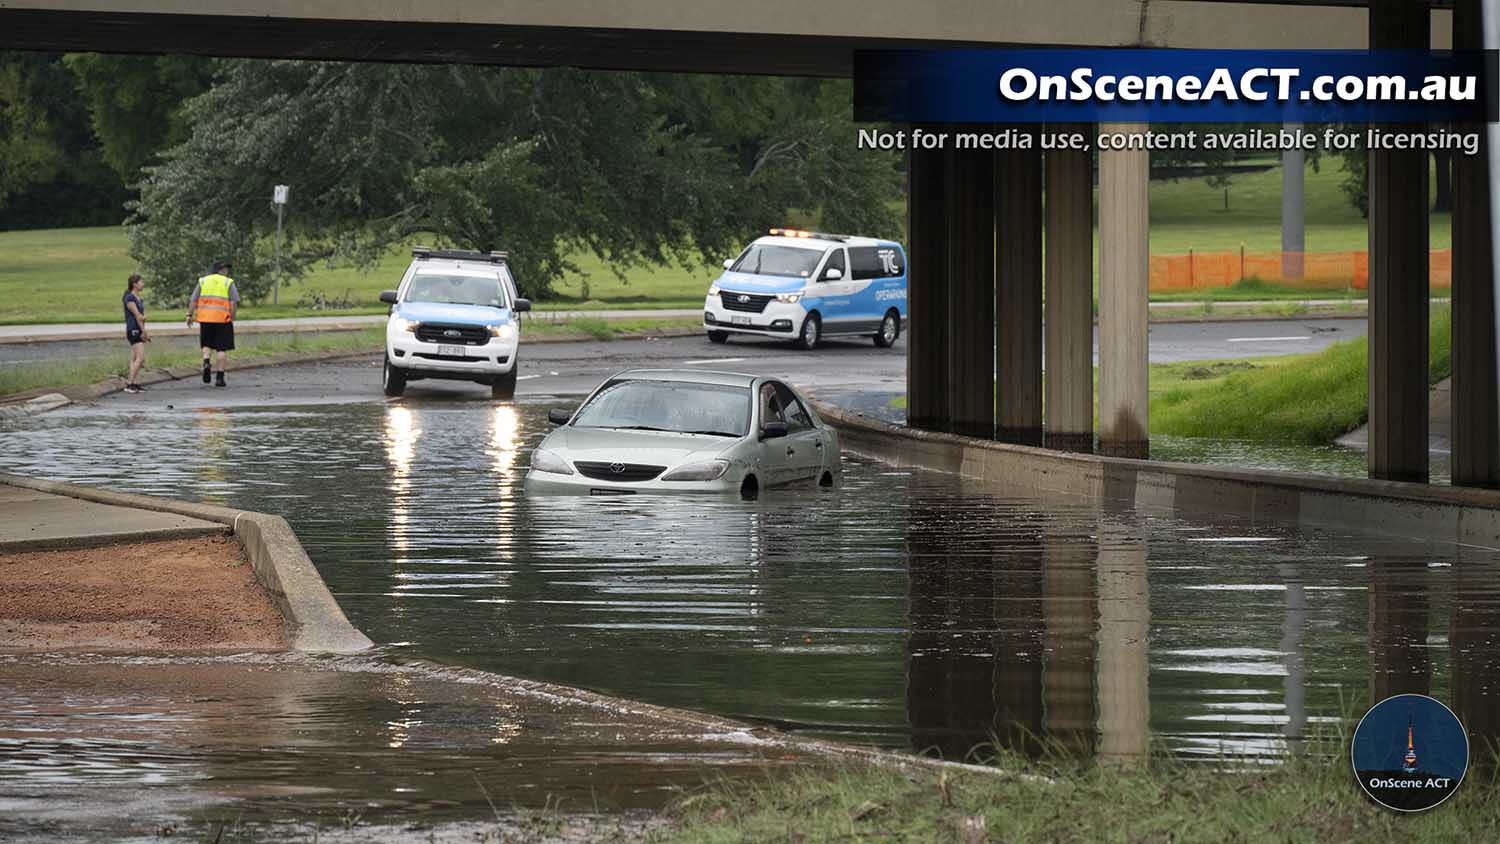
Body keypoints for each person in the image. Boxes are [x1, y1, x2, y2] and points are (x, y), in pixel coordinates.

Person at [187, 259, 239, 387]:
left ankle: (206, 361)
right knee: (221, 348)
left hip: (205, 319)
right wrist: (232, 316)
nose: (227, 271)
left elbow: (194, 300)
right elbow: (233, 302)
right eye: (225, 269)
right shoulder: (228, 282)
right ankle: (220, 377)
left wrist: (189, 315)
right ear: (220, 270)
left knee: (206, 344)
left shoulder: (203, 281)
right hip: (222, 319)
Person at [122, 273, 150, 393]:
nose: (143, 284)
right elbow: (137, 316)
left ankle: (134, 382)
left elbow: (140, 317)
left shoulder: (139, 299)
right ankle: (129, 384)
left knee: (134, 358)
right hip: (133, 329)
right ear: (134, 284)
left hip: (138, 328)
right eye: (141, 282)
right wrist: (144, 332)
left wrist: (143, 326)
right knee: (140, 358)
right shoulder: (130, 298)